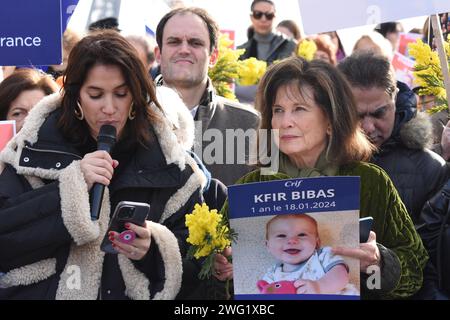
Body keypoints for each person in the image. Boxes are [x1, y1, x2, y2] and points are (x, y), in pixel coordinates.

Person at [0, 30, 208, 300]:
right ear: (75, 97)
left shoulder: (173, 164)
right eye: (96, 95)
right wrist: (72, 186)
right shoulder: (29, 151)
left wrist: (153, 249)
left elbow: (202, 265)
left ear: (135, 96)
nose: (109, 108)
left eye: (121, 94)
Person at [214, 57, 428, 299]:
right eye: (278, 110)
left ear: (329, 119)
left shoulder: (370, 182)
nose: (285, 122)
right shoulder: (252, 186)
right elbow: (219, 283)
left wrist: (379, 263)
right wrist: (219, 267)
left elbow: (416, 267)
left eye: (299, 109)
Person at [155, 7, 260, 186]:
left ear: (213, 57)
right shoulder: (129, 119)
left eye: (195, 43)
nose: (184, 49)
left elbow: (268, 201)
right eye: (174, 42)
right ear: (158, 54)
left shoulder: (252, 124)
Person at [338, 53, 449, 223]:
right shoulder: (313, 158)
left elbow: (431, 244)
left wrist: (381, 251)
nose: (368, 127)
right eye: (356, 115)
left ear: (395, 98)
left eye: (379, 113)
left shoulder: (430, 169)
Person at [261, 214, 358, 295]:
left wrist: (319, 286)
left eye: (302, 234)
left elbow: (341, 276)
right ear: (268, 245)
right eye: (281, 235)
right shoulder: (272, 275)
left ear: (317, 243)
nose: (292, 241)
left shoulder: (322, 256)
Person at [238, 0, 296, 64]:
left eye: (269, 15)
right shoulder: (242, 51)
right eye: (258, 14)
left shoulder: (291, 46)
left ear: (275, 17)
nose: (263, 19)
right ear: (251, 17)